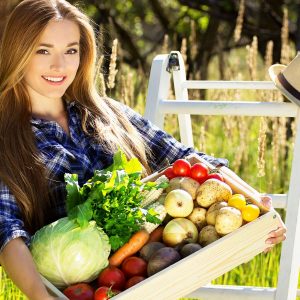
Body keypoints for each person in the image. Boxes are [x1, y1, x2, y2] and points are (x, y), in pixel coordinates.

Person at [0, 0, 286, 299]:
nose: (59, 65)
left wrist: (253, 203)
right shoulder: (7, 136)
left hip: (147, 276)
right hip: (80, 291)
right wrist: (40, 296)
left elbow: (187, 159)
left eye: (71, 50)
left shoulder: (106, 113)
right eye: (43, 50)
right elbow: (6, 230)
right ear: (18, 52)